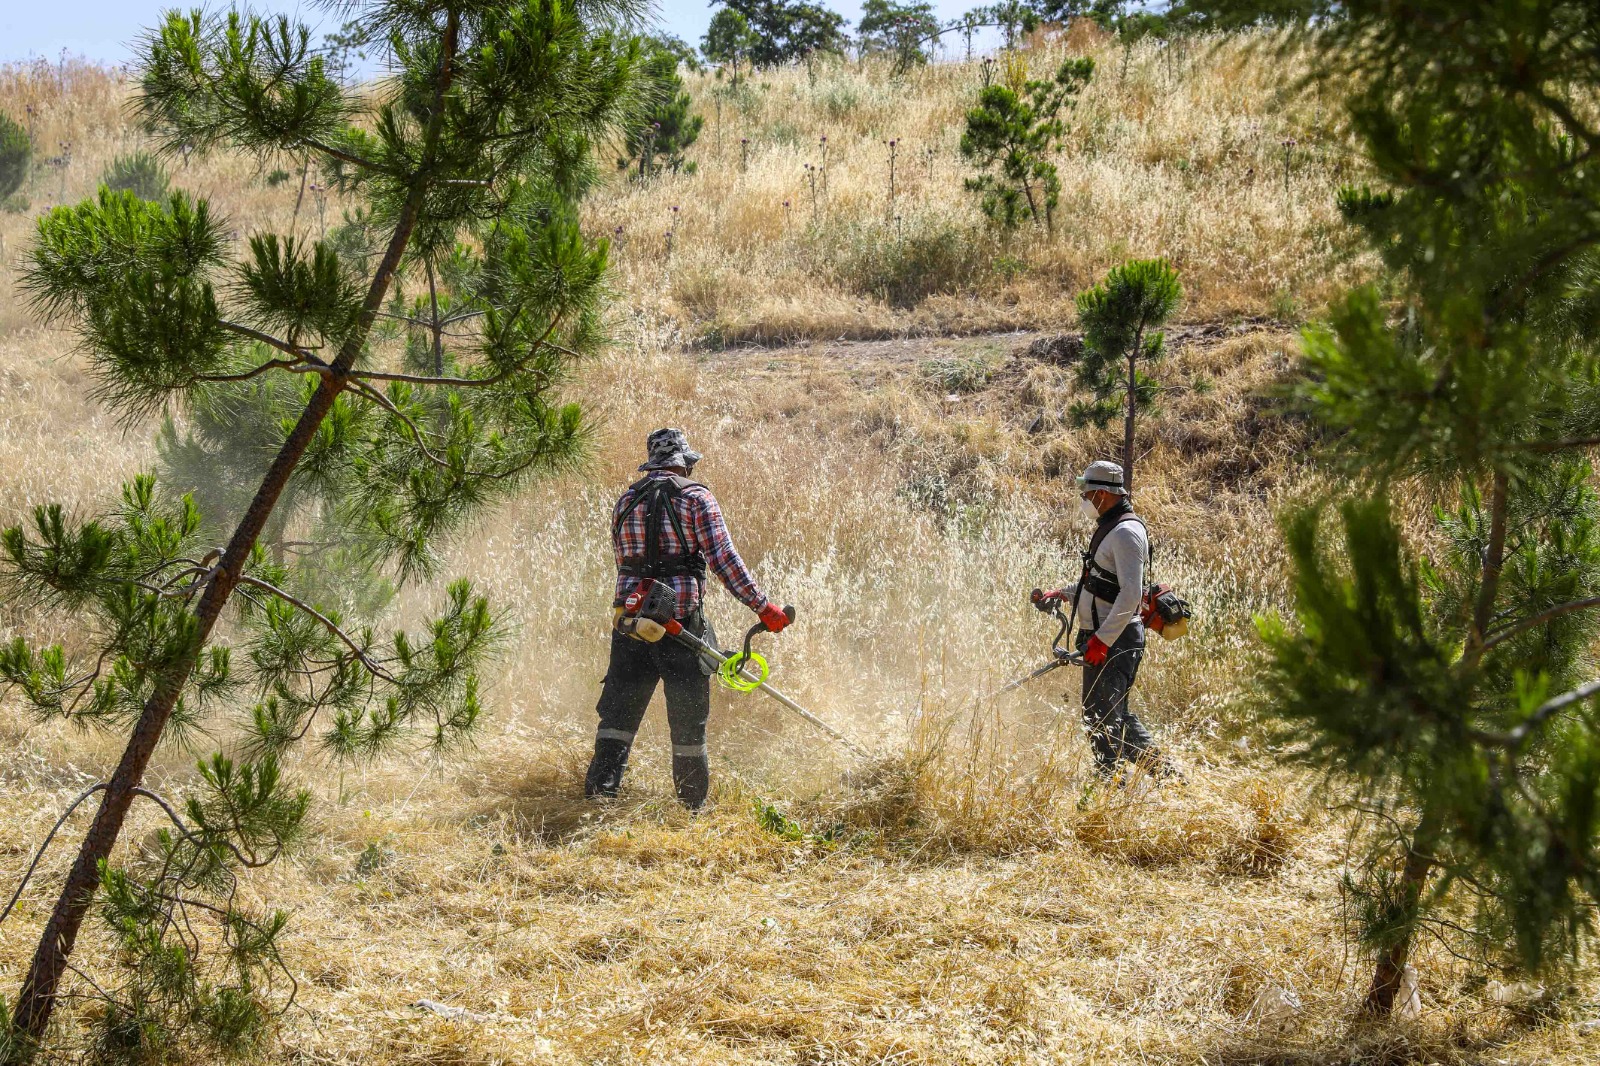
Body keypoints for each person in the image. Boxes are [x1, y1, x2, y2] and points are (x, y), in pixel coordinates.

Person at [584, 428, 790, 809]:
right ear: (684, 463)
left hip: (629, 624)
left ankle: (598, 802)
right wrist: (764, 608)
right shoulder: (696, 498)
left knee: (618, 718)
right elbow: (725, 562)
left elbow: (623, 564)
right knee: (688, 723)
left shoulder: (625, 500)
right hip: (681, 628)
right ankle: (691, 810)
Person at [1038, 460, 1169, 777]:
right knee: (1105, 715)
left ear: (1103, 494)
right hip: (1103, 638)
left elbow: (1131, 595)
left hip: (1115, 640)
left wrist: (1102, 640)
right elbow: (1101, 583)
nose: (1084, 498)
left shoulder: (1125, 533)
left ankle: (1114, 781)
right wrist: (1064, 593)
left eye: (1088, 492)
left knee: (1104, 718)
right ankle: (1161, 776)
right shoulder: (1110, 527)